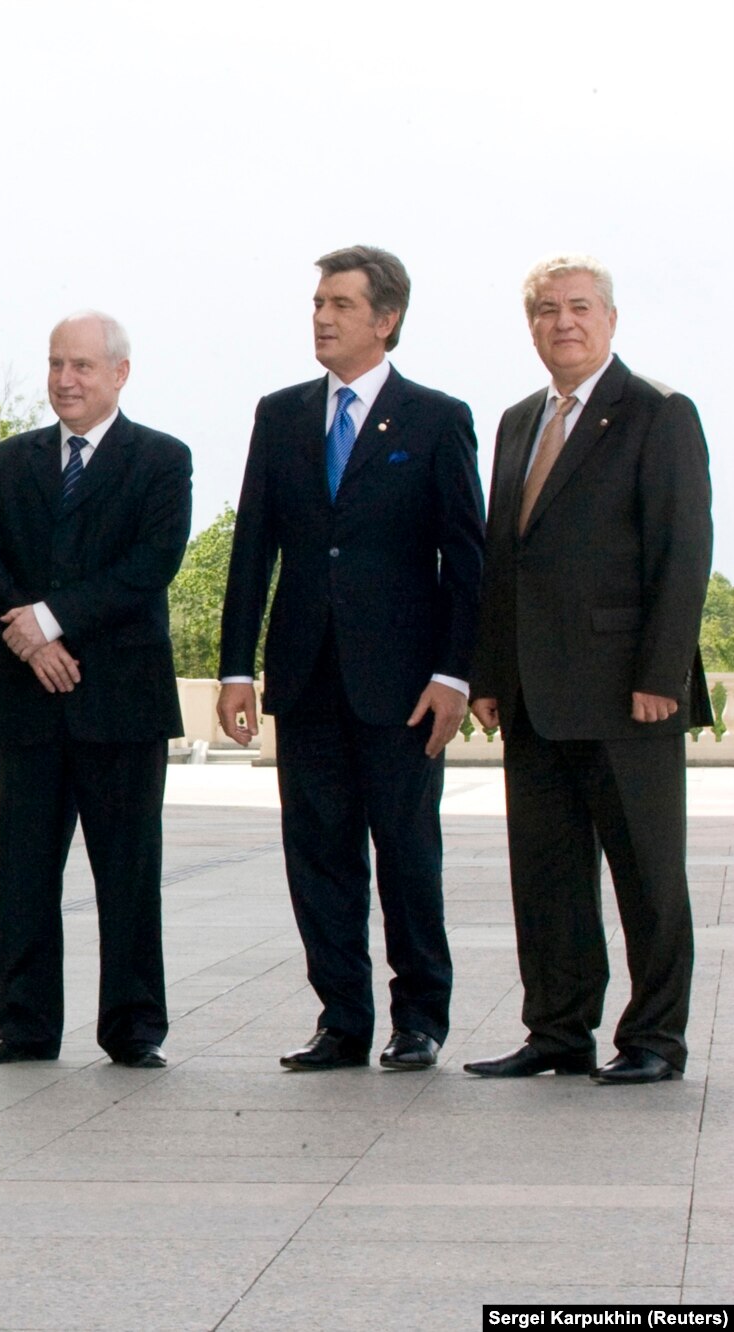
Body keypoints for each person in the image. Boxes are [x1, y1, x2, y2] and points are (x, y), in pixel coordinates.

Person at [217, 245, 484, 1073]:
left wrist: (454, 674)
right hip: (304, 677)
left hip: (403, 687)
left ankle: (420, 1020)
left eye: (340, 304)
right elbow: (252, 547)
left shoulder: (438, 419)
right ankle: (342, 1018)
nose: (323, 318)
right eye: (317, 304)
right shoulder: (282, 413)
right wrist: (236, 667)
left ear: (386, 318)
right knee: (319, 854)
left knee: (406, 854)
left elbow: (466, 558)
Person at [464, 256, 711, 1086]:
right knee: (547, 876)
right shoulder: (516, 420)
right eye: (544, 309)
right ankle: (559, 1031)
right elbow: (505, 559)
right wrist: (490, 673)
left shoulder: (657, 413)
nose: (561, 322)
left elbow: (684, 552)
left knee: (647, 877)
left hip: (625, 692)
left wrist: (662, 675)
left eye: (577, 307)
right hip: (534, 692)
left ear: (609, 319)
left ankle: (653, 1039)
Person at [0, 313, 192, 1069]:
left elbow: (151, 563)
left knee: (128, 874)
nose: (66, 379)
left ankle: (132, 1029)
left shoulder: (161, 460)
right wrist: (26, 636)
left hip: (120, 700)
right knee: (23, 872)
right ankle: (24, 1025)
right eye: (57, 363)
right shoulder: (11, 459)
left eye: (83, 366)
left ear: (120, 373)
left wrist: (52, 621)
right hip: (29, 703)